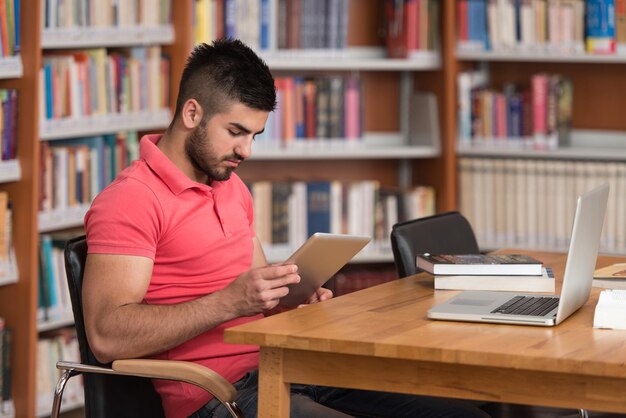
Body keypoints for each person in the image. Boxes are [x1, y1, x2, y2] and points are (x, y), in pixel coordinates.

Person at [82, 38, 491, 418]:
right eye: (236, 132)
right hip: (218, 394)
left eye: (255, 135)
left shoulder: (230, 186)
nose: (246, 150)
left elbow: (257, 297)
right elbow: (106, 338)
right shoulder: (131, 200)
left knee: (462, 414)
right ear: (192, 113)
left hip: (286, 365)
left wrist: (291, 296)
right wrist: (230, 301)